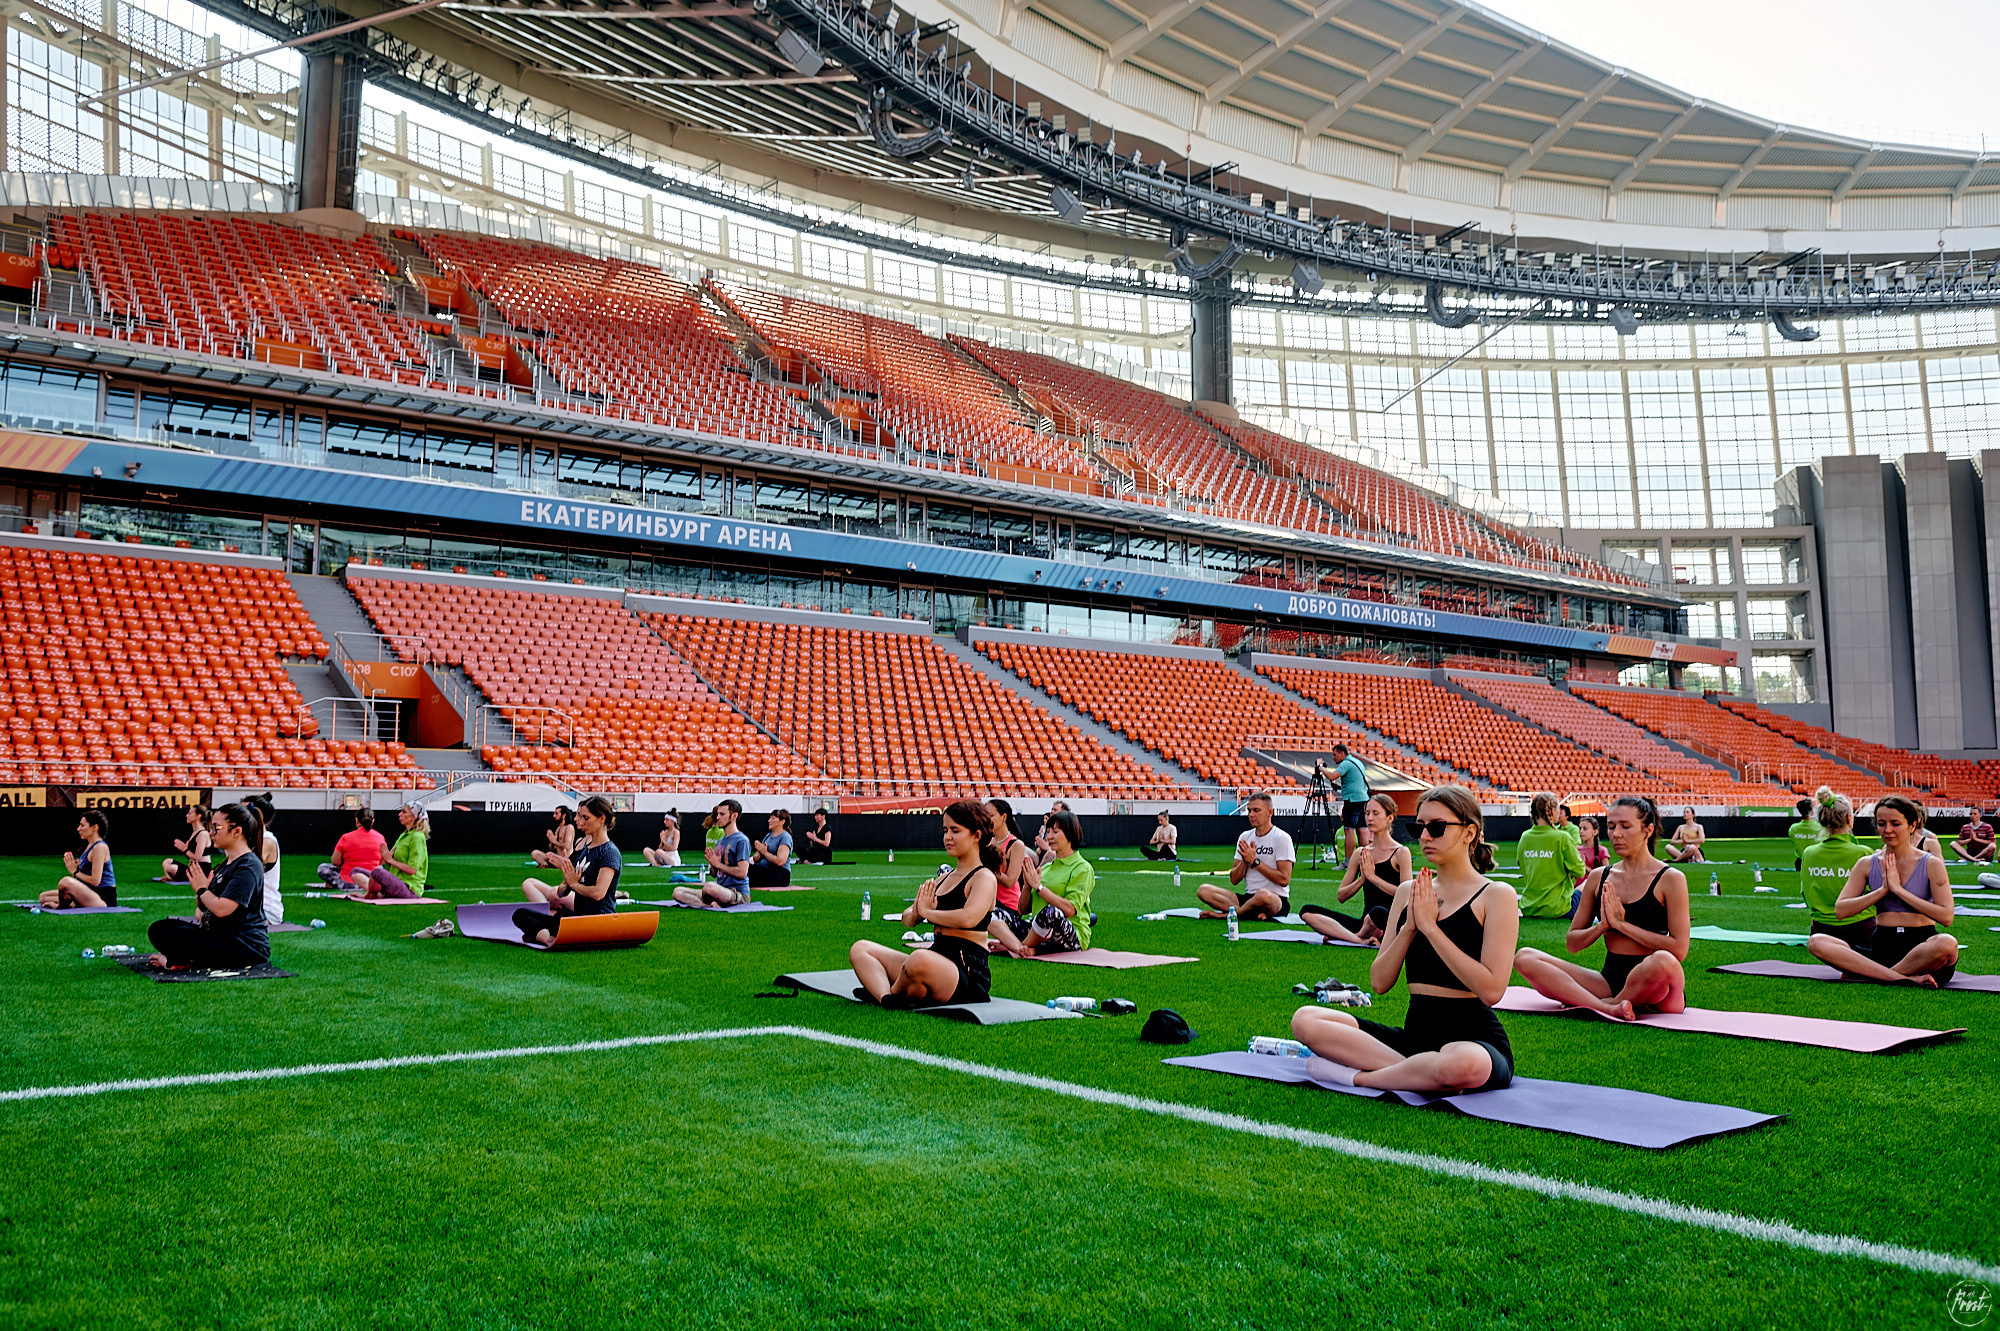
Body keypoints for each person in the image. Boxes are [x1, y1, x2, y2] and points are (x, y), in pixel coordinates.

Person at [1290, 785, 1519, 1094]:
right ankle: (1419, 1073)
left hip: (1474, 1040)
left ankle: (1359, 1078)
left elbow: (1492, 990)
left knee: (1462, 1063)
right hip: (1414, 1038)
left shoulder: (1496, 895)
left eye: (1436, 828)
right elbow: (1379, 982)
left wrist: (1431, 929)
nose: (1424, 837)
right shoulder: (1407, 891)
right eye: (1419, 827)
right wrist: (1410, 926)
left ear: (1469, 833)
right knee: (1305, 1020)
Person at [1513, 795, 1690, 1020]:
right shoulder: (1599, 877)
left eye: (1626, 826)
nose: (1616, 834)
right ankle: (1609, 1007)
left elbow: (1679, 949)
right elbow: (1573, 943)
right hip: (1609, 980)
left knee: (1664, 961)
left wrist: (1622, 926)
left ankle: (1605, 1004)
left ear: (1648, 830)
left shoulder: (1670, 878)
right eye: (1611, 826)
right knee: (1524, 957)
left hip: (1658, 987)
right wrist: (1603, 927)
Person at [849, 800, 998, 1008]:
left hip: (967, 971)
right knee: (861, 949)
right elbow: (907, 919)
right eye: (945, 830)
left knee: (918, 959)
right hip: (936, 957)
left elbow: (968, 918)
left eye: (955, 831)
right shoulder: (943, 878)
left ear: (977, 835)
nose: (948, 837)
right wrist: (918, 913)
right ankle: (887, 997)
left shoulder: (984, 877)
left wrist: (927, 912)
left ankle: (893, 991)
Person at [1810, 796, 1957, 987]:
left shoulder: (1931, 864)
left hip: (1922, 950)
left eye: (1895, 823)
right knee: (1817, 942)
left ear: (1912, 826)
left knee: (1947, 944)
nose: (1887, 830)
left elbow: (1946, 917)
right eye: (1881, 824)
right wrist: (1882, 891)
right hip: (1882, 947)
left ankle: (1878, 975)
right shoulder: (1866, 863)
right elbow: (1841, 910)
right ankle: (1899, 977)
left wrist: (1899, 891)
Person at [145, 803, 269, 971]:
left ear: (237, 831)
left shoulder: (248, 865)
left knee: (164, 932)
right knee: (163, 927)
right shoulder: (227, 864)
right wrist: (202, 891)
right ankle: (182, 958)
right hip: (220, 937)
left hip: (245, 947)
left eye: (216, 828)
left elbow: (222, 909)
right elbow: (205, 908)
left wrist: (202, 889)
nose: (211, 833)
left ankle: (176, 961)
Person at [1299, 793, 1406, 946]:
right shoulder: (1360, 853)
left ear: (1390, 818)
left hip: (1387, 920)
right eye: (1367, 813)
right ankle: (1357, 939)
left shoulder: (1401, 853)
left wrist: (1373, 878)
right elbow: (1341, 896)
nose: (1369, 818)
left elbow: (1407, 896)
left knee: (1378, 912)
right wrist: (1362, 880)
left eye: (1376, 813)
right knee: (1307, 911)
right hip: (1365, 923)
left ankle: (1347, 935)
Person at [516, 794, 622, 944]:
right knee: (520, 914)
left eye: (586, 818)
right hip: (579, 915)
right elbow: (562, 891)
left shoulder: (609, 852)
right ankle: (545, 937)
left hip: (599, 918)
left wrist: (574, 884)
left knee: (558, 919)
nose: (581, 822)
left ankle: (542, 936)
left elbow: (599, 893)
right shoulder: (584, 849)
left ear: (601, 819)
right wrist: (566, 882)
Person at [988, 809, 1095, 957]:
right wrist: (1027, 886)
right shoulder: (1045, 868)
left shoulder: (1082, 868)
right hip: (1037, 933)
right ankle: (1020, 947)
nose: (1049, 837)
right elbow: (1022, 910)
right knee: (991, 913)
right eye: (1048, 831)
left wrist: (1039, 887)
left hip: (1070, 937)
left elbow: (1070, 910)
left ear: (1070, 834)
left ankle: (1017, 946)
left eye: (1055, 832)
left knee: (1051, 912)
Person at [1799, 787, 1877, 966]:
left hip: (1821, 931)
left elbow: (1806, 894)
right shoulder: (1864, 852)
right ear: (1849, 818)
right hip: (1862, 931)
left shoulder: (1809, 853)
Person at [1196, 792, 1293, 921]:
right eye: (1249, 811)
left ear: (1270, 812)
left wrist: (1255, 862)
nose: (1251, 815)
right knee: (1203, 890)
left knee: (1263, 894)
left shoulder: (1281, 838)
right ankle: (1246, 912)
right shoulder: (1245, 837)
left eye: (1256, 810)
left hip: (1273, 899)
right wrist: (1245, 862)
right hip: (1248, 898)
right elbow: (1234, 879)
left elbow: (1284, 879)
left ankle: (1233, 914)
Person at [1515, 793, 1589, 919]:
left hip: (1530, 907)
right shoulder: (1562, 837)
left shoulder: (1525, 837)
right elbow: (1580, 872)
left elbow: (1523, 866)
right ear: (1552, 811)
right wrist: (1580, 862)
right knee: (1589, 882)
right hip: (1559, 908)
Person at [674, 799, 751, 907]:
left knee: (710, 887)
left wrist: (718, 864)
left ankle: (713, 903)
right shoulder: (721, 841)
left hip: (737, 893)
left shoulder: (742, 840)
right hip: (720, 889)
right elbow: (714, 874)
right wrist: (713, 865)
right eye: (717, 814)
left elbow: (742, 872)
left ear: (734, 816)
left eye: (722, 814)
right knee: (677, 892)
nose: (717, 817)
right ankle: (710, 906)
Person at [984, 799, 1042, 943]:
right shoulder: (989, 842)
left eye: (991, 815)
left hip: (1008, 907)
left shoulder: (1015, 845)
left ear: (1004, 817)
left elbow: (1010, 881)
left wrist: (989, 869)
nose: (987, 820)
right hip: (990, 900)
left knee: (985, 915)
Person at [355, 802, 431, 899]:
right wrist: (387, 859)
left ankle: (370, 895)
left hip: (410, 888)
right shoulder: (404, 835)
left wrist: (390, 860)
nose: (400, 814)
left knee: (377, 872)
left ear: (413, 817)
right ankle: (374, 894)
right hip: (397, 882)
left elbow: (412, 870)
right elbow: (394, 866)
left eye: (404, 812)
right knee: (357, 870)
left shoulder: (417, 837)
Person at [42, 810, 116, 909]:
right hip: (89, 891)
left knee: (65, 882)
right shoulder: (88, 846)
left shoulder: (99, 847)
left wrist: (75, 872)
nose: (78, 829)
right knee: (43, 897)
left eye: (82, 825)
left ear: (94, 827)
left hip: (102, 898)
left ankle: (60, 906)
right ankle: (73, 903)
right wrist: (78, 868)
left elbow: (95, 881)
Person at [317, 809, 387, 890]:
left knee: (322, 868)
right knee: (380, 868)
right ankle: (367, 884)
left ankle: (338, 884)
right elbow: (383, 861)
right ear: (373, 821)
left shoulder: (346, 838)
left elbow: (335, 862)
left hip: (348, 881)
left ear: (357, 820)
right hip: (371, 879)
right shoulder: (380, 837)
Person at [244, 794, 284, 926]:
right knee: (203, 913)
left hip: (265, 907)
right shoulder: (250, 840)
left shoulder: (266, 840)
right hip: (248, 905)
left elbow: (245, 870)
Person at [1332, 744, 1370, 856]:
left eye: (1334, 755)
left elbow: (1332, 776)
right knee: (1362, 829)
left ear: (1341, 753)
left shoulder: (1346, 764)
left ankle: (1348, 861)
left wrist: (1320, 768)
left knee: (1349, 830)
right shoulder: (1357, 762)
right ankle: (1366, 858)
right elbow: (1355, 782)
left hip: (1352, 800)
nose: (1333, 758)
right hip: (1363, 799)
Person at [161, 803, 212, 883]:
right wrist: (185, 848)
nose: (187, 815)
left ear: (198, 816)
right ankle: (168, 877)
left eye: (190, 813)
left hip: (201, 871)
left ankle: (171, 877)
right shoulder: (195, 833)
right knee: (167, 861)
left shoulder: (203, 834)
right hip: (192, 868)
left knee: (172, 868)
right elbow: (190, 857)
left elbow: (197, 857)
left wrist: (184, 848)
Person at [748, 810, 794, 888]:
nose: (769, 821)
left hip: (779, 874)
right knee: (744, 866)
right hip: (765, 869)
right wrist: (760, 852)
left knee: (748, 870)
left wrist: (765, 853)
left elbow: (780, 861)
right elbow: (755, 858)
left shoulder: (785, 837)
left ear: (782, 822)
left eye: (773, 819)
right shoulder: (768, 836)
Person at [532, 806, 576, 871]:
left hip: (566, 859)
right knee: (535, 853)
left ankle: (545, 865)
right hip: (556, 858)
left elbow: (567, 846)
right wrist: (551, 840)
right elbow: (552, 848)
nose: (554, 816)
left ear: (563, 815)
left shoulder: (569, 827)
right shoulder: (558, 829)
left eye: (556, 814)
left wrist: (554, 841)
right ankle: (545, 865)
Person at [1787, 797, 1824, 871]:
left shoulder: (1793, 829)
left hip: (1800, 863)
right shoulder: (1821, 828)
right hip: (1816, 862)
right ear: (1812, 811)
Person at [1034, 801, 1072, 867]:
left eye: (1055, 810)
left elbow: (1060, 850)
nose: (1052, 811)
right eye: (1052, 809)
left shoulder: (1065, 827)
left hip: (1058, 857)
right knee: (1023, 850)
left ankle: (1037, 874)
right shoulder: (1048, 826)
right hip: (1043, 856)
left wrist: (1046, 847)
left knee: (1050, 854)